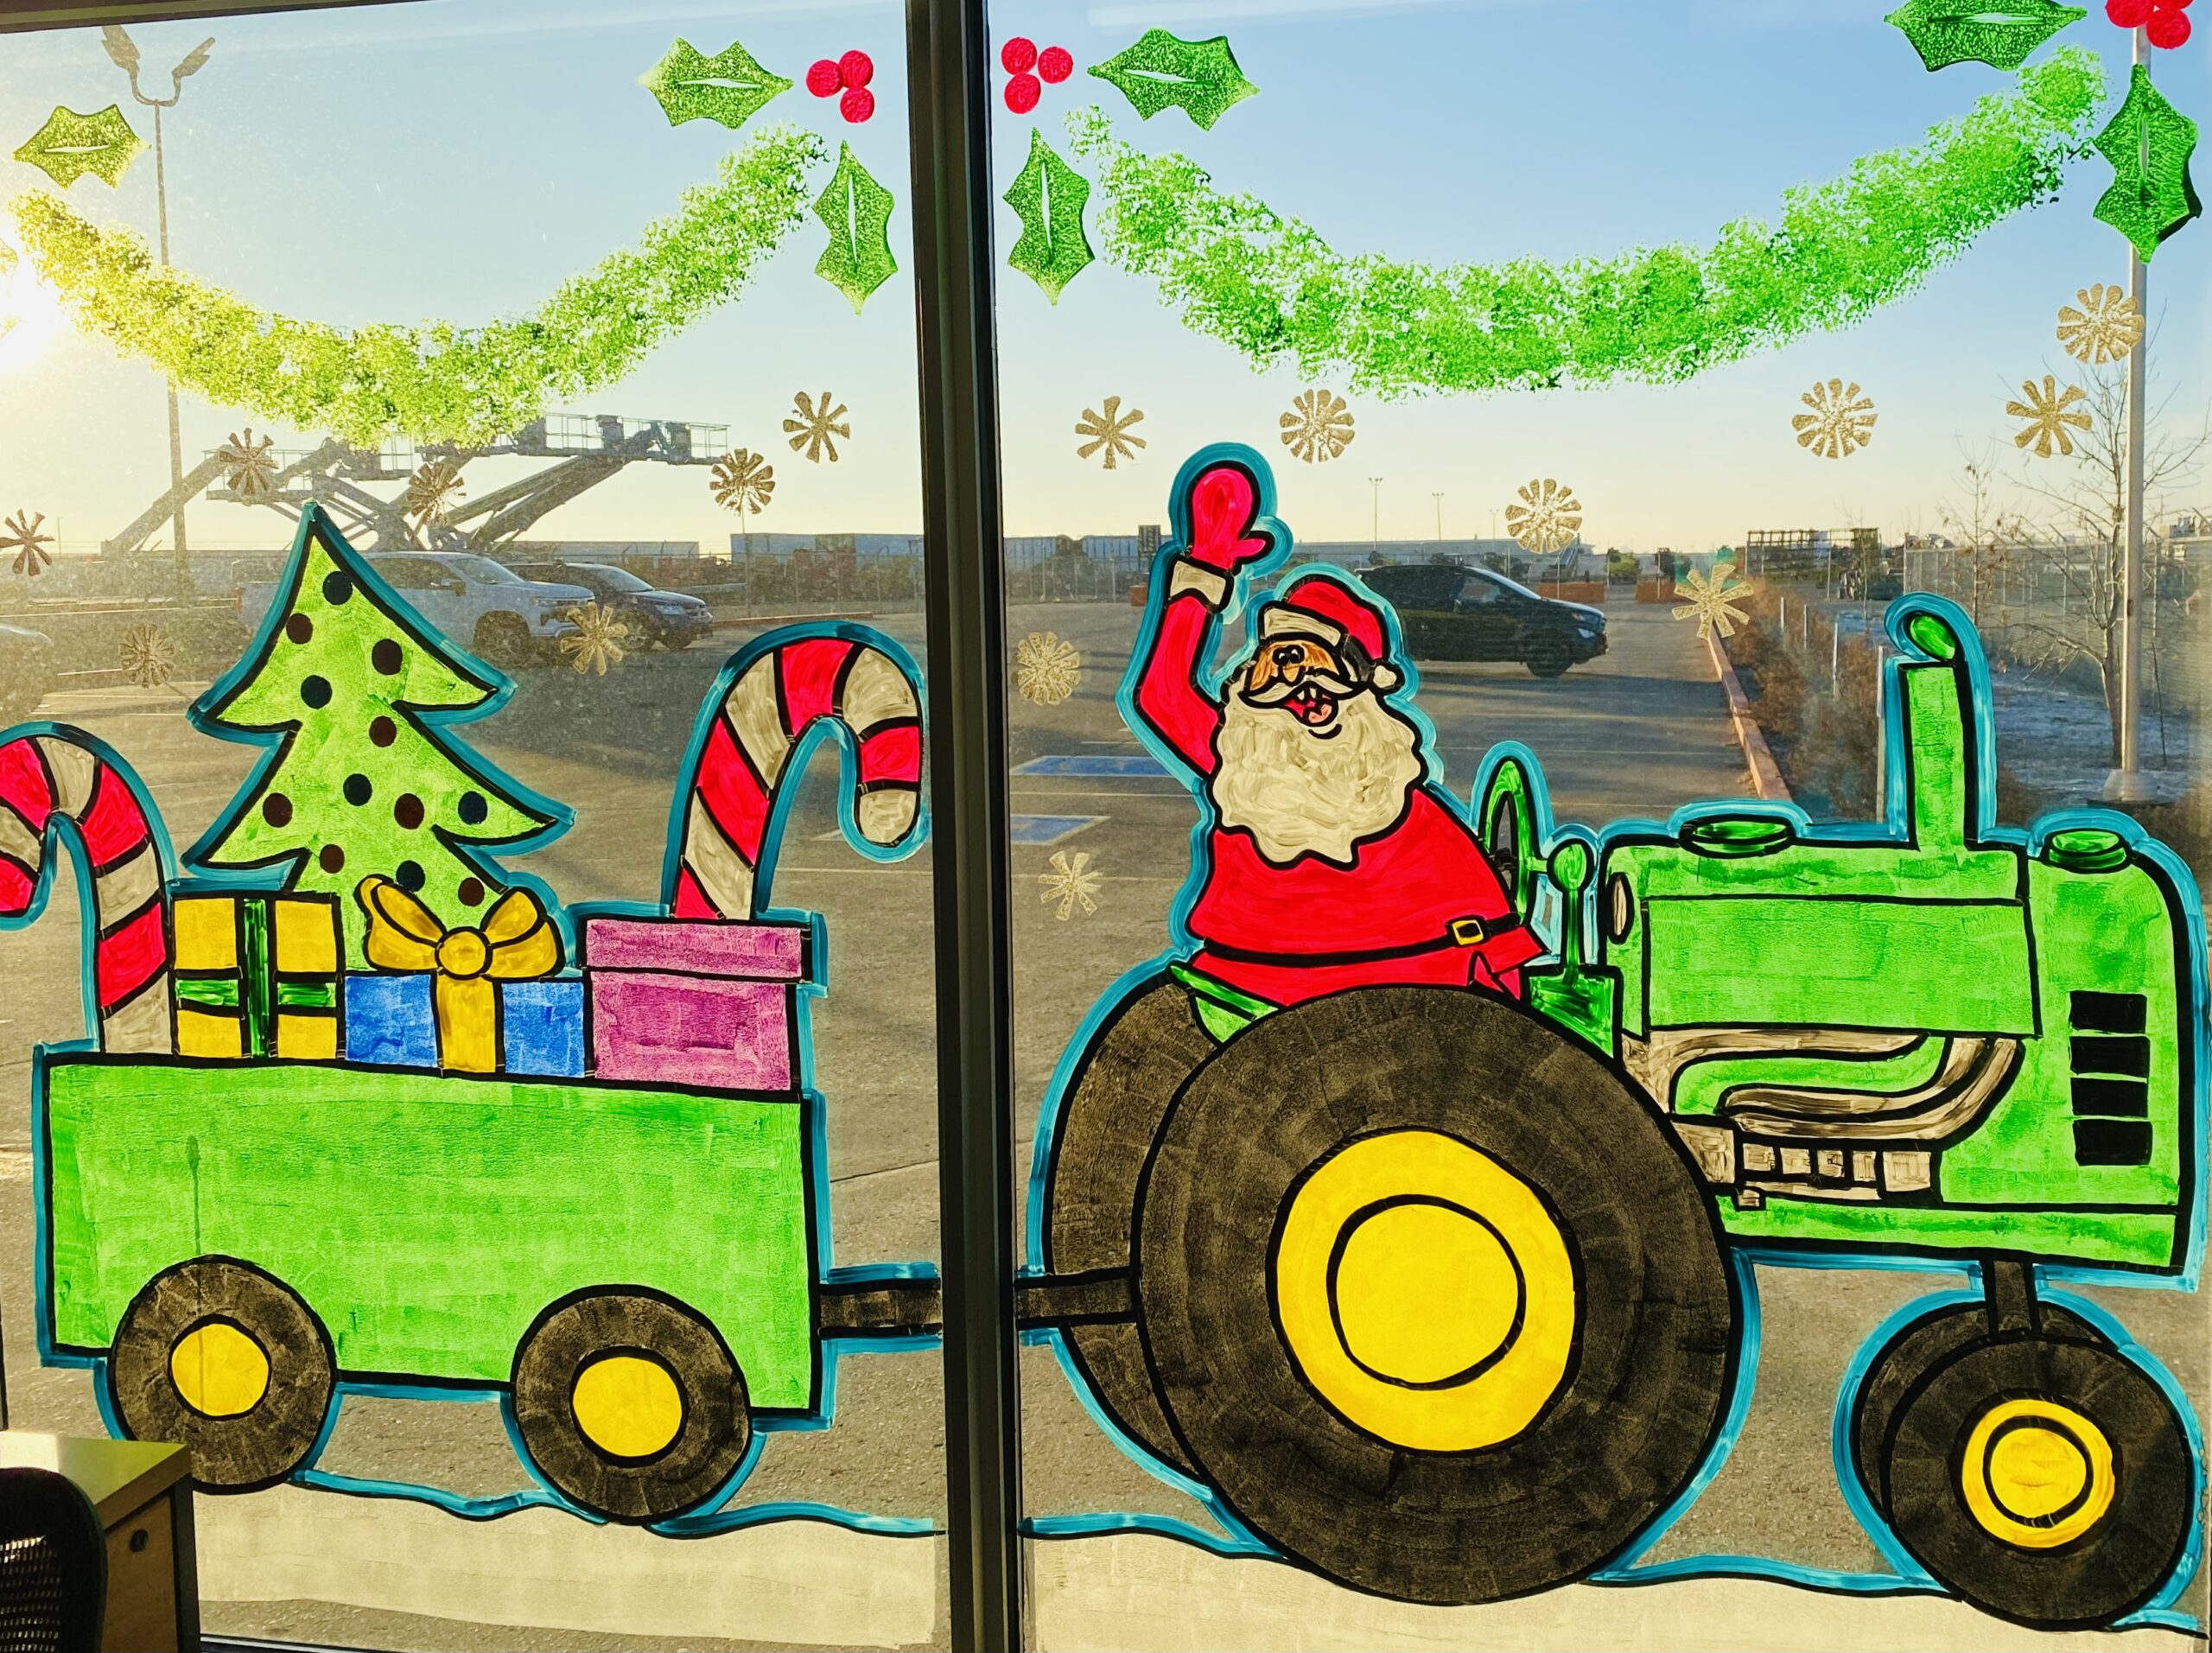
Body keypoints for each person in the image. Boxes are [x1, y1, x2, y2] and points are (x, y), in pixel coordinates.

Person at [1131, 457, 1540, 1013]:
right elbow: (1163, 694)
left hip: (1411, 1005)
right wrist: (1204, 573)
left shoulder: (1403, 805)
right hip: (1248, 992)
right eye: (1282, 663)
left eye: (1321, 670)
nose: (1301, 690)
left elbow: (1492, 948)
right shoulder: (1246, 755)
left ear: (1366, 691)